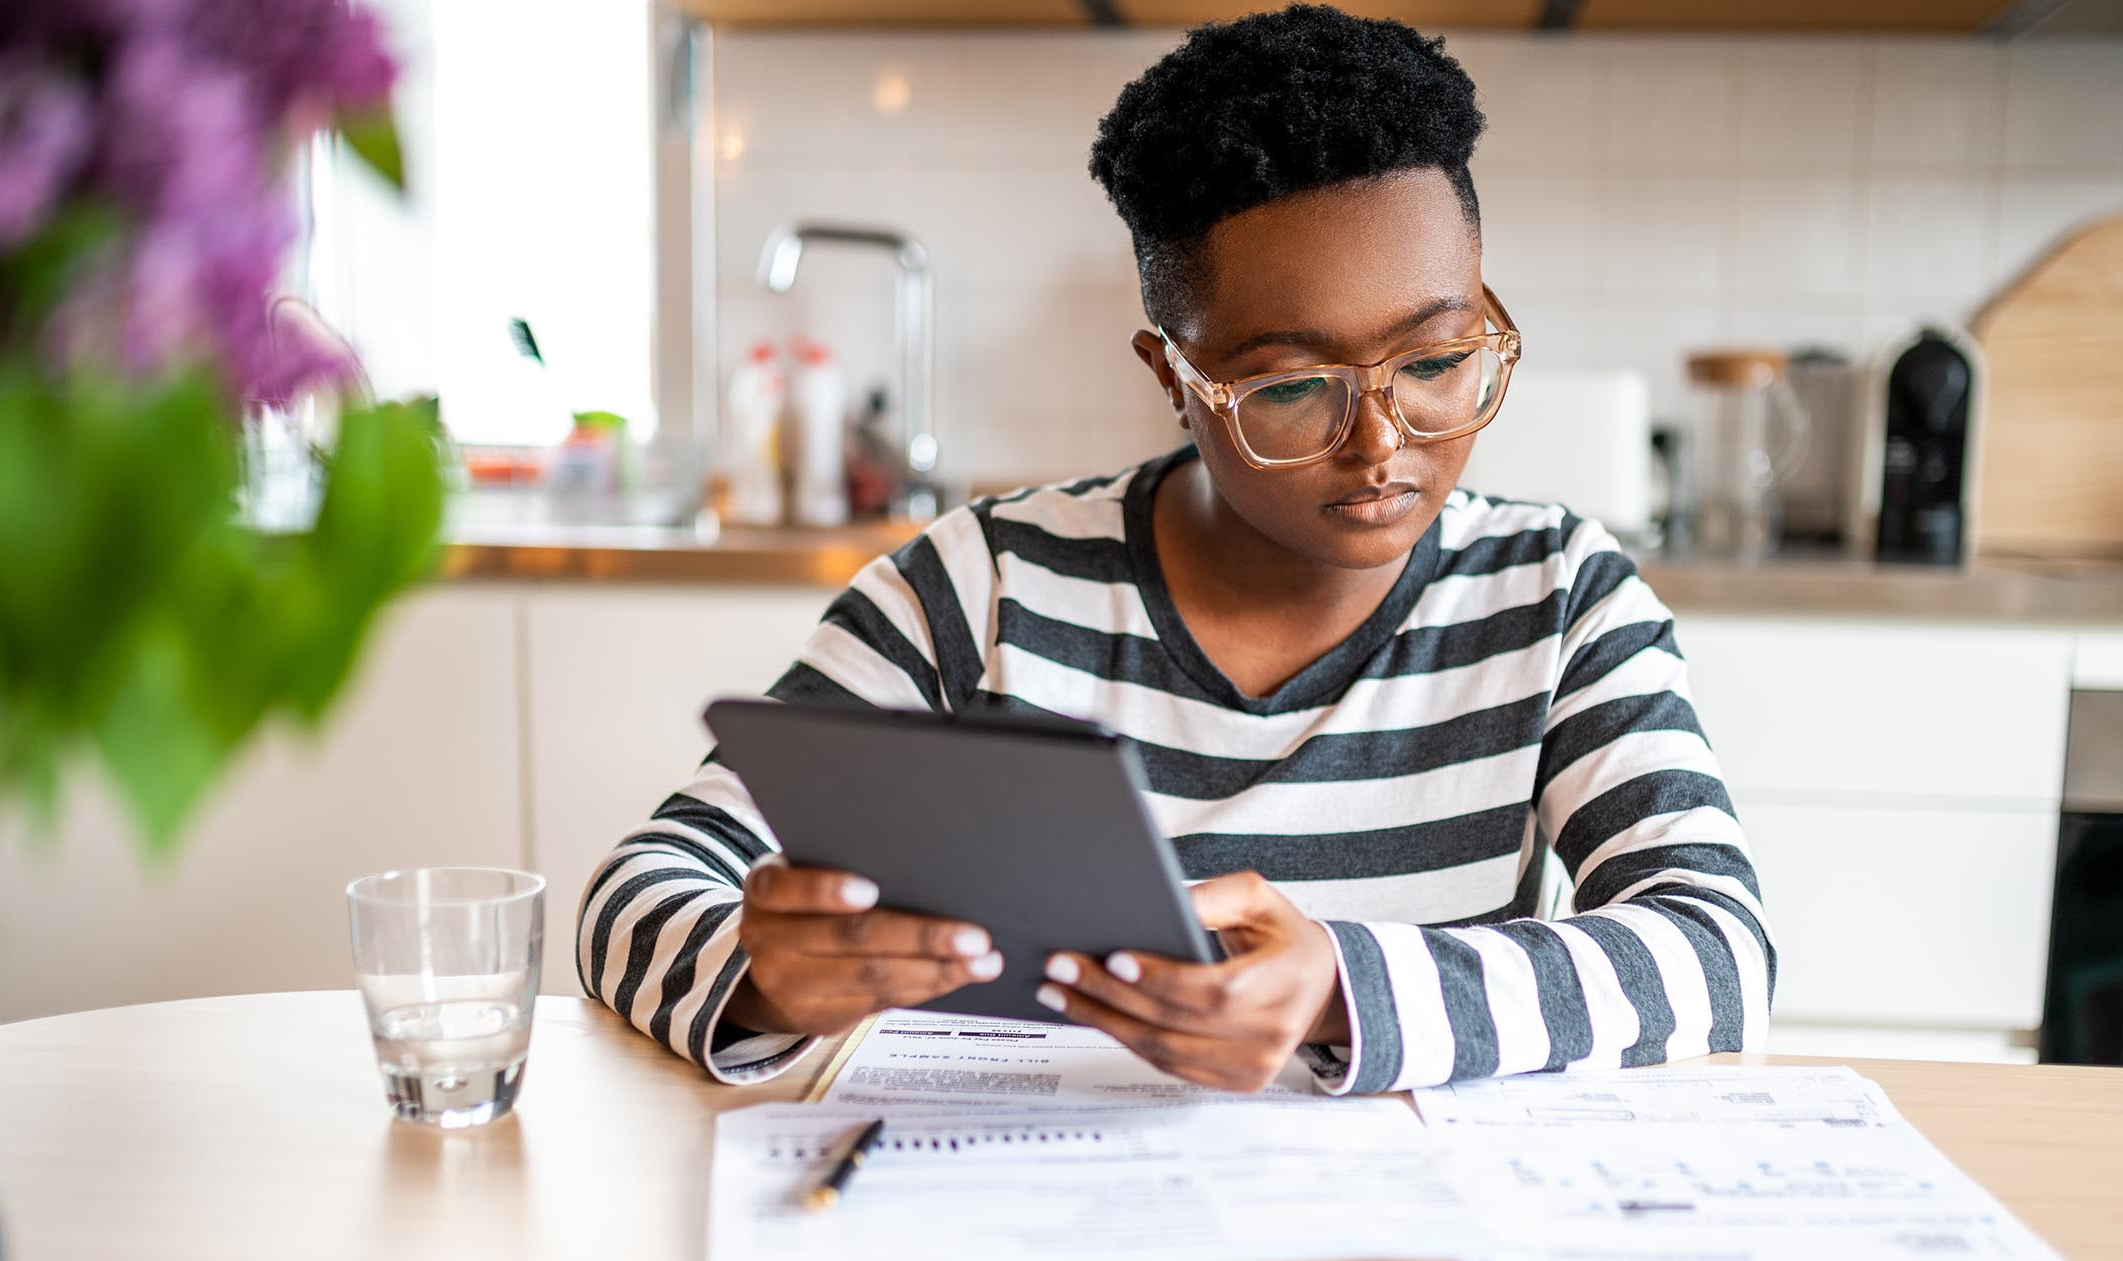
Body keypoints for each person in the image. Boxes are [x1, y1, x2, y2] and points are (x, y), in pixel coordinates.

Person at [579, 3, 1774, 1096]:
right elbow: (633, 895)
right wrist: (770, 974)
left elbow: (1716, 948)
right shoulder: (984, 586)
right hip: (1046, 1243)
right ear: (1174, 376)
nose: (1381, 444)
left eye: (1434, 362)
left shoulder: (1554, 593)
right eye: (1293, 387)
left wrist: (1339, 990)